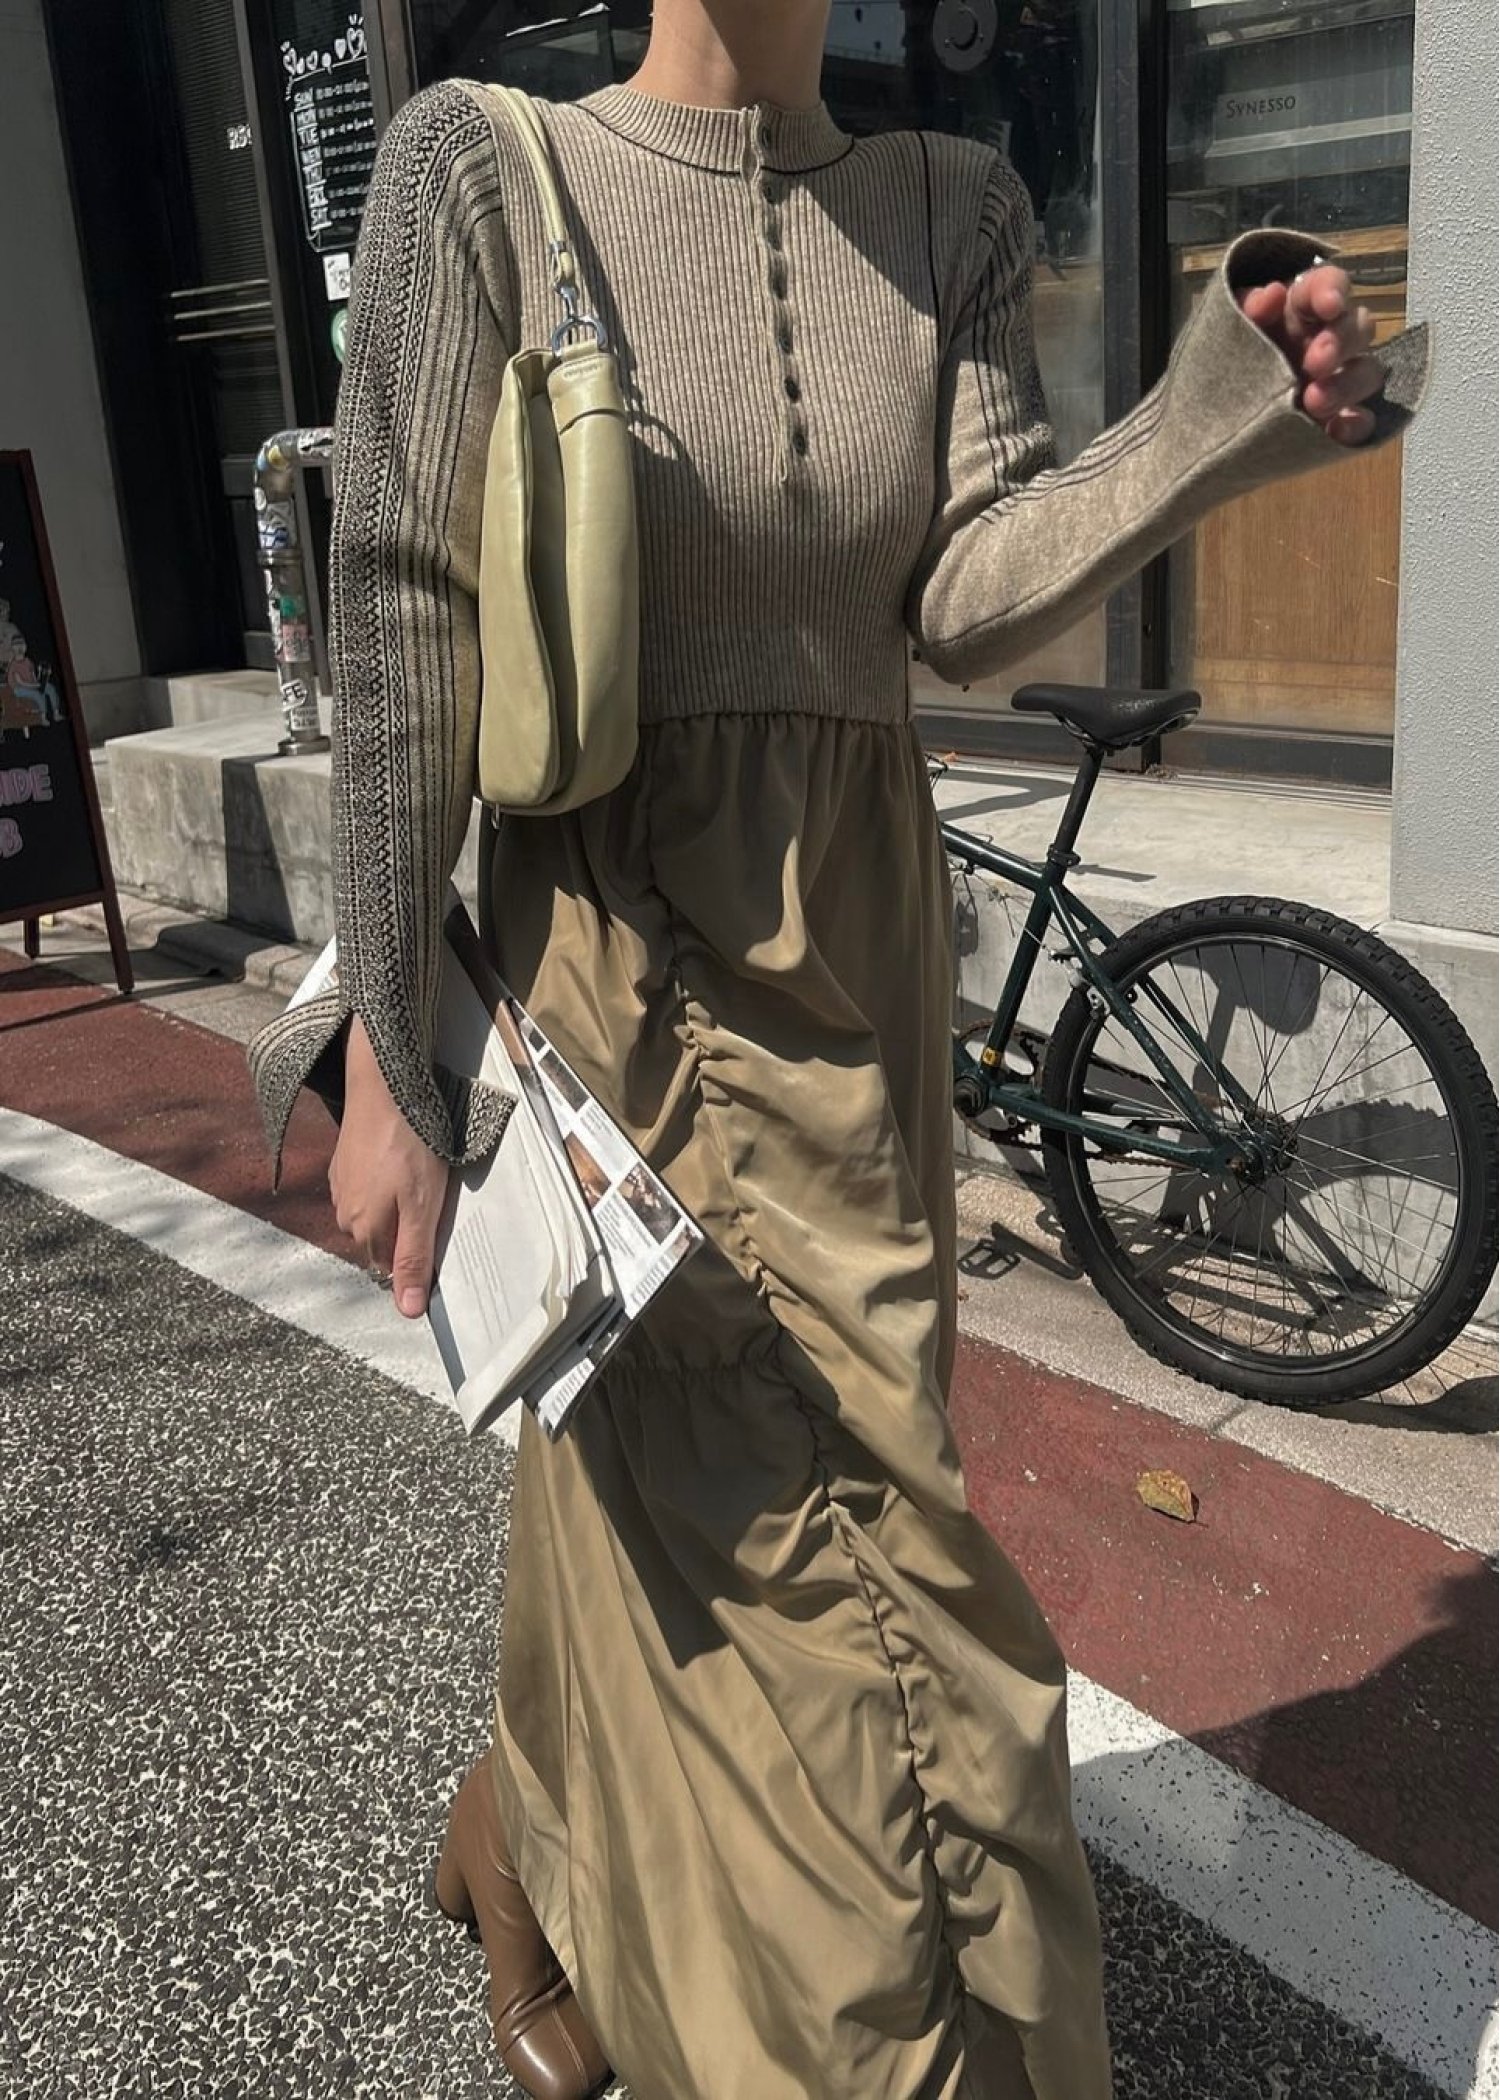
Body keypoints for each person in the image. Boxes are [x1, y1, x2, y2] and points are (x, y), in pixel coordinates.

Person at [249, 3, 1423, 2094]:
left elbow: (965, 595)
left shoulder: (953, 203)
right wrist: (390, 1061)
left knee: (685, 1501)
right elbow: (407, 611)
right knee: (849, 1586)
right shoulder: (476, 171)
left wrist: (1215, 409)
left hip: (863, 979)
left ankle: (525, 1835)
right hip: (626, 973)